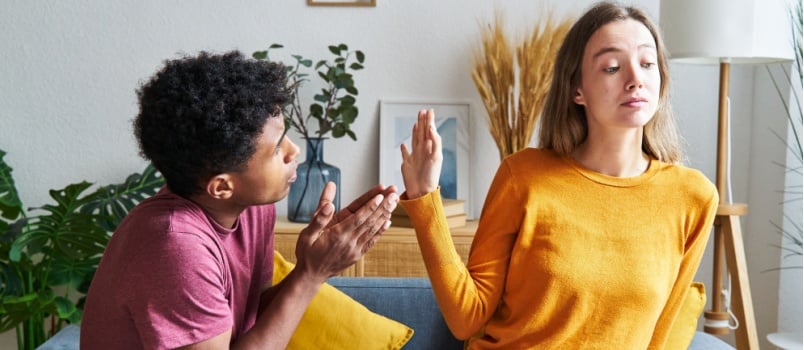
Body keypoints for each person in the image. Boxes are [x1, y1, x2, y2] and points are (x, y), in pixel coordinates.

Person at [398, 2, 718, 349]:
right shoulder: (523, 176)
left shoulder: (693, 197)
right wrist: (424, 196)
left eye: (647, 63)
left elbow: (661, 337)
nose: (635, 79)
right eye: (612, 67)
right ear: (576, 89)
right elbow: (467, 318)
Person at [81, 51, 399, 349]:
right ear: (221, 187)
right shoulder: (175, 245)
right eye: (276, 150)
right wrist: (313, 273)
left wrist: (308, 265)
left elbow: (250, 321)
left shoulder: (249, 210)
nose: (294, 151)